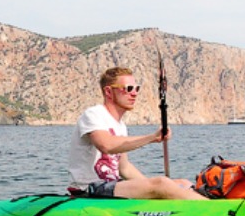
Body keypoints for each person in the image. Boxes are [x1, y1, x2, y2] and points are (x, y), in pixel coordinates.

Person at [67, 66, 206, 200]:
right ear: (109, 92)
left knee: (182, 183)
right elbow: (106, 145)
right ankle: (214, 210)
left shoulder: (120, 126)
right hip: (89, 189)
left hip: (111, 185)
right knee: (162, 184)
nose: (134, 93)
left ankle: (208, 202)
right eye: (128, 89)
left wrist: (154, 188)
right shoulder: (94, 114)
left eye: (136, 88)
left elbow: (125, 168)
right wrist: (152, 138)